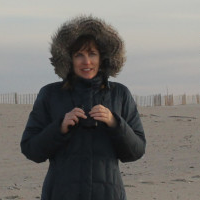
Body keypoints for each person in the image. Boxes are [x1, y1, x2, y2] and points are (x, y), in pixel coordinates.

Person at [20, 15, 146, 200]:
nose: (86, 62)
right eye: (79, 55)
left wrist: (114, 122)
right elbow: (31, 149)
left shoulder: (120, 94)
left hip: (108, 194)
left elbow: (136, 151)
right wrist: (60, 127)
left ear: (103, 58)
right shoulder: (50, 94)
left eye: (92, 54)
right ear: (68, 59)